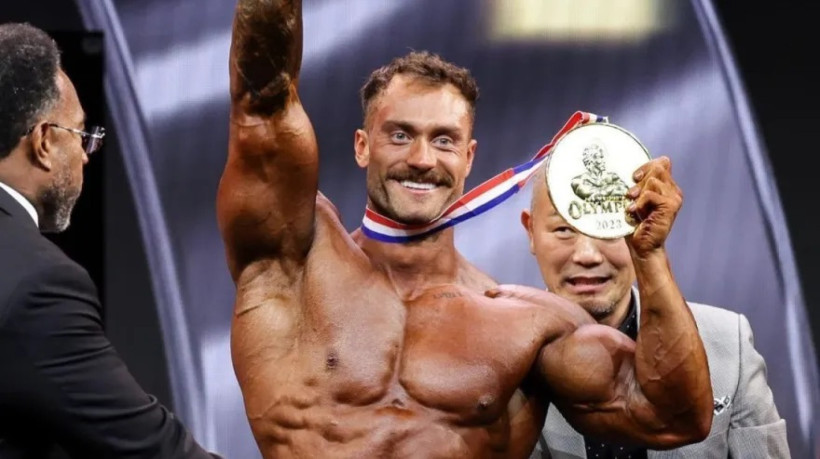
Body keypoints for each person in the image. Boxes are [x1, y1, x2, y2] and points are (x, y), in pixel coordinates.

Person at [218, 1, 714, 457]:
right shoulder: (292, 263)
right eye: (400, 135)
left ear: (469, 157)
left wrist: (650, 258)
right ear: (362, 146)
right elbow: (262, 99)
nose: (422, 159)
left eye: (444, 140)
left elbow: (674, 418)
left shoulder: (528, 324)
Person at [0, 23, 218, 458]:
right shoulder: (39, 283)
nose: (85, 156)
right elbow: (148, 448)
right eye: (82, 136)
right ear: (43, 142)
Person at [521, 166, 790, 458]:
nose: (587, 255)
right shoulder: (507, 363)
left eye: (608, 227)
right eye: (564, 230)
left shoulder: (727, 342)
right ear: (531, 231)